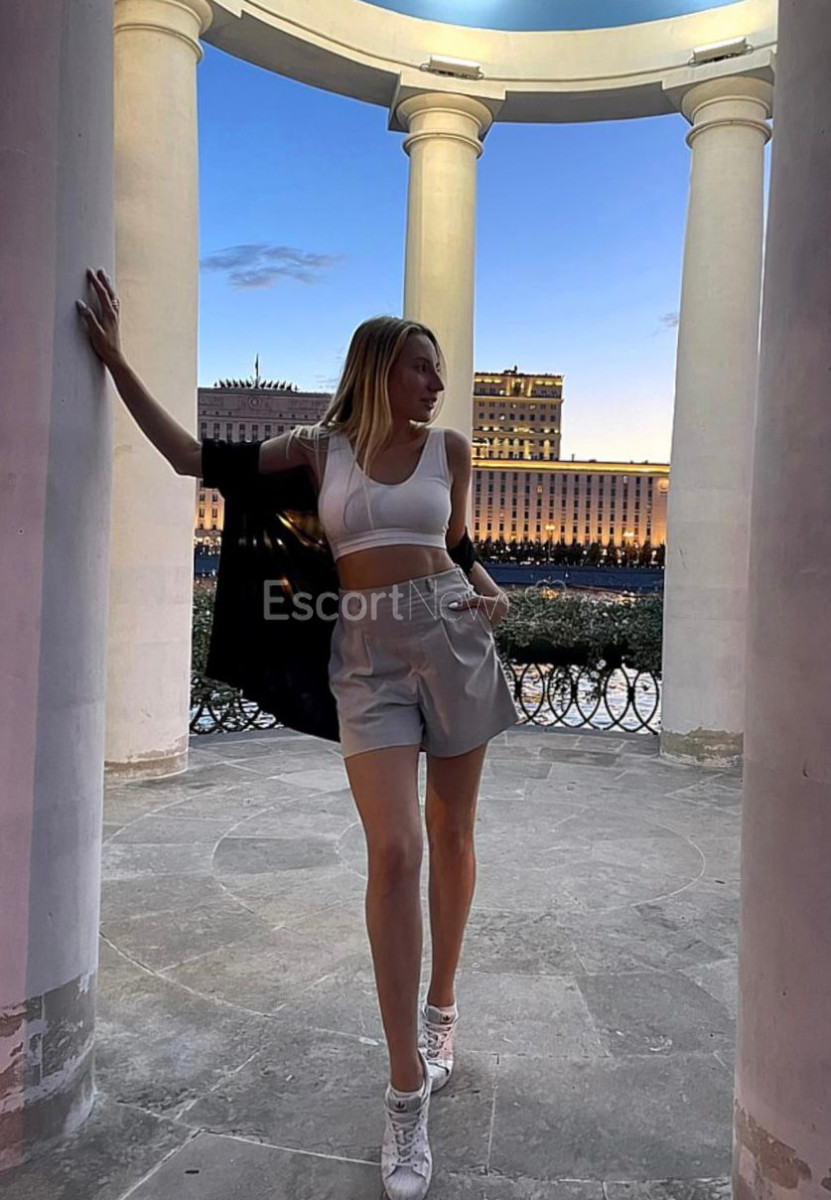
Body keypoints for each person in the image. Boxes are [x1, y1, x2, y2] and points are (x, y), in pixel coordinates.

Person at [77, 266, 520, 1200]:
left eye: (439, 368)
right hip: (365, 655)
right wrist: (114, 359)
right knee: (394, 851)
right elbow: (193, 457)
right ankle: (404, 1090)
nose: (438, 382)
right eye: (421, 366)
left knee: (451, 833)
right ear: (377, 367)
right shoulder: (319, 450)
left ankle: (441, 1009)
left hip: (453, 636)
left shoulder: (450, 448)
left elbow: (456, 545)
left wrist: (487, 590)